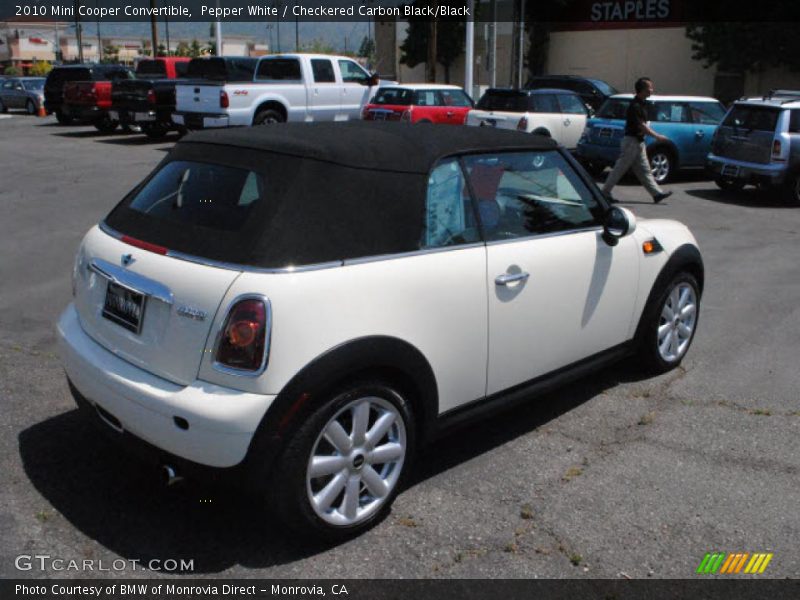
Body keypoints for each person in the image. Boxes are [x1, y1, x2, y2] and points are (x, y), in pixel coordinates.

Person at [602, 77, 673, 203]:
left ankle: (656, 194)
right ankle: (604, 193)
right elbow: (641, 126)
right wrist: (657, 136)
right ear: (642, 90)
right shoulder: (635, 106)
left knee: (645, 170)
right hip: (631, 142)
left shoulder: (641, 104)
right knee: (619, 169)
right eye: (649, 87)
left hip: (638, 142)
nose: (652, 90)